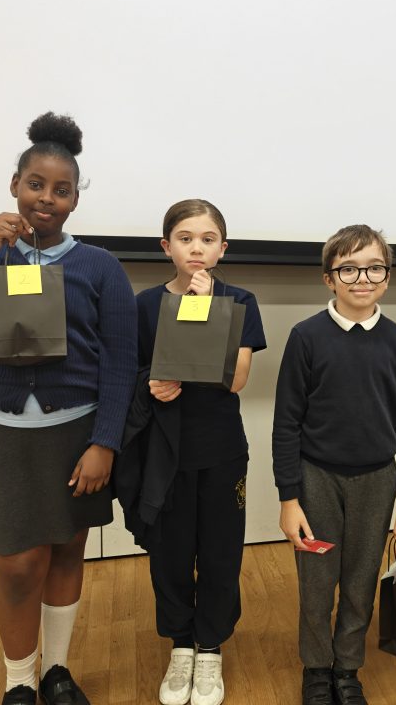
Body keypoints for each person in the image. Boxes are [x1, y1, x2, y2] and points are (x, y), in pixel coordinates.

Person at [0, 112, 137, 705]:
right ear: (15, 184)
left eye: (61, 189)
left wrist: (105, 443)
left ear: (74, 200)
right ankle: (18, 681)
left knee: (66, 552)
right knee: (18, 567)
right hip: (2, 435)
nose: (47, 198)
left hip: (76, 436)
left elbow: (121, 362)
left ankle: (56, 672)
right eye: (36, 184)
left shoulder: (100, 266)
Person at [271, 224, 396, 705]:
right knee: (317, 584)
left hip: (378, 481)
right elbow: (286, 423)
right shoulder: (306, 337)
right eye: (349, 269)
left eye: (374, 268)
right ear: (329, 278)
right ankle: (317, 668)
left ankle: (347, 668)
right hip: (316, 480)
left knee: (361, 582)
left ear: (387, 276)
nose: (363, 278)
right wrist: (289, 499)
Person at [132, 200, 266, 705]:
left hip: (221, 449)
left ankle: (210, 645)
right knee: (169, 551)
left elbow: (236, 379)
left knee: (220, 550)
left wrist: (208, 310)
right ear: (166, 246)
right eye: (185, 238)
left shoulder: (239, 301)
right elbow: (131, 372)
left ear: (222, 249)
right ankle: (181, 643)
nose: (196, 248)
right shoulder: (146, 305)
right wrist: (151, 383)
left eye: (208, 239)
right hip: (165, 450)